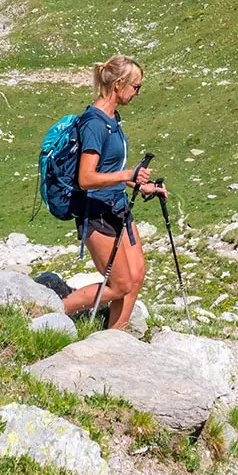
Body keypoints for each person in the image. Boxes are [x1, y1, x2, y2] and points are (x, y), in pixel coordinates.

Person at [53, 55, 163, 330]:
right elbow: (86, 178)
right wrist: (127, 175)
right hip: (96, 211)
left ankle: (116, 338)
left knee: (136, 275)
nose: (138, 92)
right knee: (119, 284)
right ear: (118, 84)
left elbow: (109, 167)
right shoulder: (93, 123)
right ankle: (52, 312)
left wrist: (139, 184)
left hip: (118, 205)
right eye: (136, 86)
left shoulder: (113, 118)